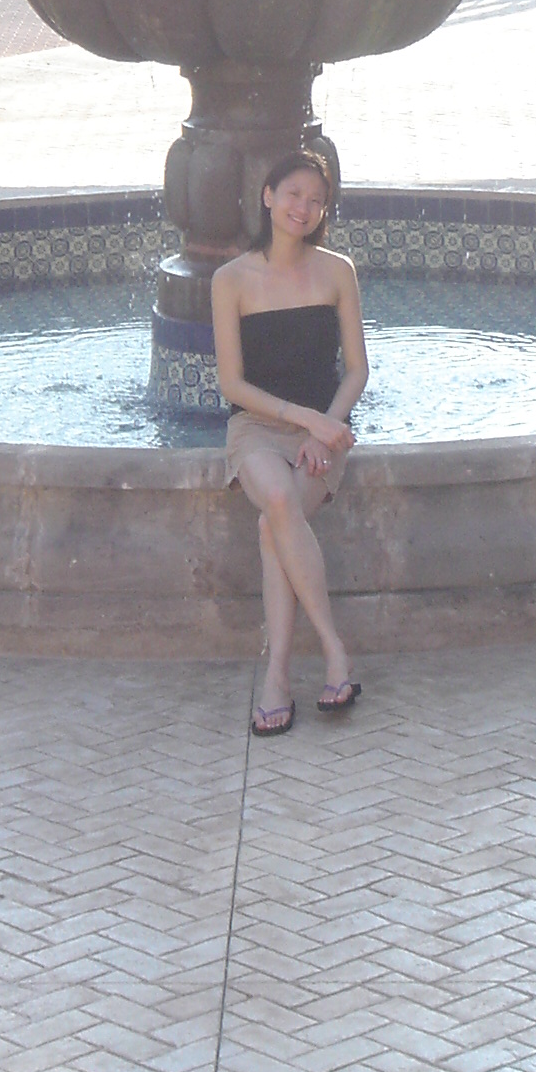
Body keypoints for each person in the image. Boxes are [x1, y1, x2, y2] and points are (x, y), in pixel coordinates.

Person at [211, 149, 370, 736]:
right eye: (294, 194)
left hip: (324, 429)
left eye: (316, 200)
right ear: (268, 196)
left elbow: (356, 370)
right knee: (277, 500)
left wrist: (325, 428)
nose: (304, 207)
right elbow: (232, 384)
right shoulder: (231, 280)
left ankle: (277, 675)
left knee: (271, 526)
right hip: (257, 426)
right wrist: (305, 420)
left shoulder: (337, 271)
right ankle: (334, 650)